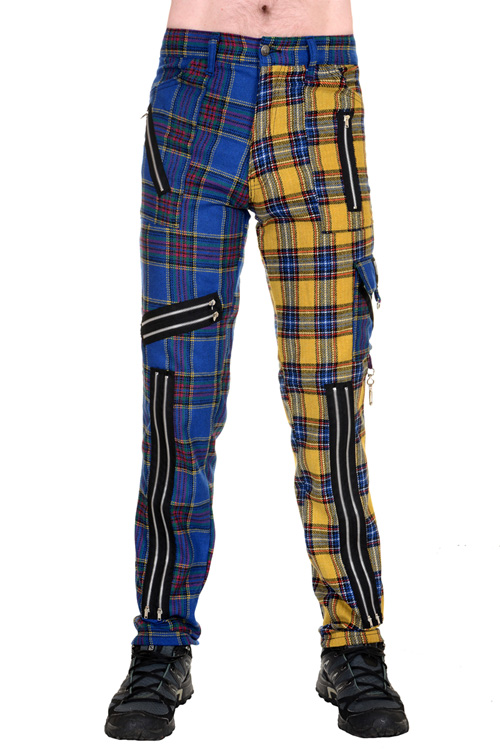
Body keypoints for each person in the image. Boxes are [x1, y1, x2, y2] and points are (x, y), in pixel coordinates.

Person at [104, 0, 410, 740]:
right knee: (178, 398)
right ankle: (161, 642)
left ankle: (354, 644)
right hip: (195, 91)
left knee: (329, 400)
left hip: (319, 96)